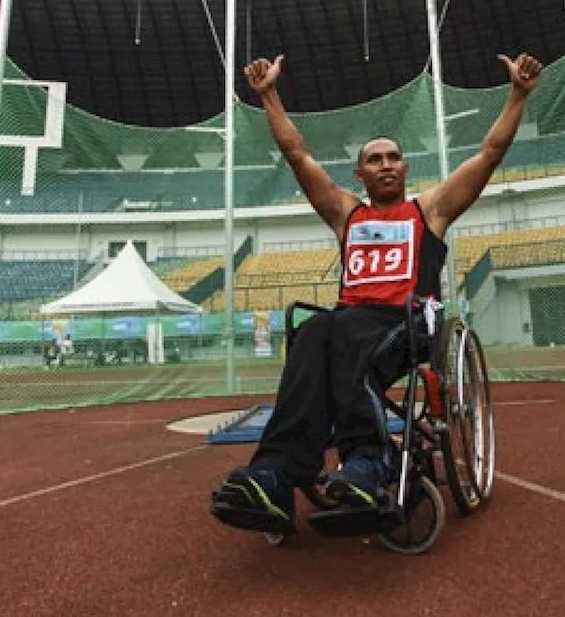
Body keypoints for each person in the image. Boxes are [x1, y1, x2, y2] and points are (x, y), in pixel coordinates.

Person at [212, 50, 543, 534]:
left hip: (406, 325)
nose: (386, 165)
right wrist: (269, 96)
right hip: (350, 321)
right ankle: (276, 473)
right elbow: (297, 154)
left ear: (405, 169)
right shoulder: (348, 215)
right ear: (359, 176)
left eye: (393, 158)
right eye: (374, 160)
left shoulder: (429, 211)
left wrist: (517, 95)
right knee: (315, 329)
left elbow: (488, 154)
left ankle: (369, 461)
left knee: (341, 333)